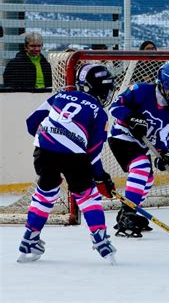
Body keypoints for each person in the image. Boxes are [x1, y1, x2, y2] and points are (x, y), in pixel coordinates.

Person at [18, 63, 117, 263]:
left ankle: (30, 238)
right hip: (75, 156)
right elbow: (93, 154)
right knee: (87, 195)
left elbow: (31, 123)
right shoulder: (99, 112)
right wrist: (100, 177)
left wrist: (51, 137)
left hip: (44, 150)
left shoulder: (59, 96)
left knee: (46, 191)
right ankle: (100, 239)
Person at [108, 61, 169, 237]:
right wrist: (131, 119)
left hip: (140, 144)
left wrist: (166, 155)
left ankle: (126, 214)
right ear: (167, 83)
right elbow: (115, 107)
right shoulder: (141, 90)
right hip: (121, 137)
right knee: (141, 166)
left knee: (148, 179)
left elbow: (164, 143)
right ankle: (128, 213)